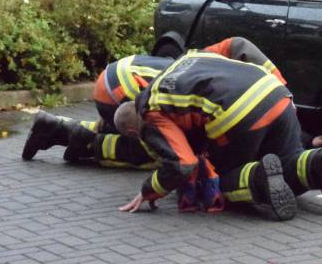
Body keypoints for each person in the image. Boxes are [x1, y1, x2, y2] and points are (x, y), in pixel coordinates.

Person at [114, 50, 322, 220]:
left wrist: (149, 190)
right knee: (290, 157)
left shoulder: (151, 111)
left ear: (135, 132)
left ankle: (260, 178)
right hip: (275, 92)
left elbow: (183, 163)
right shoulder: (188, 58)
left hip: (237, 112)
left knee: (220, 178)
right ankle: (318, 164)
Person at [21, 37, 291, 168]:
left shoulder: (206, 59)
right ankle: (88, 145)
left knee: (143, 128)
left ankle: (57, 128)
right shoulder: (222, 70)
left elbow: (239, 44)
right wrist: (279, 82)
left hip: (118, 75)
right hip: (125, 86)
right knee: (158, 150)